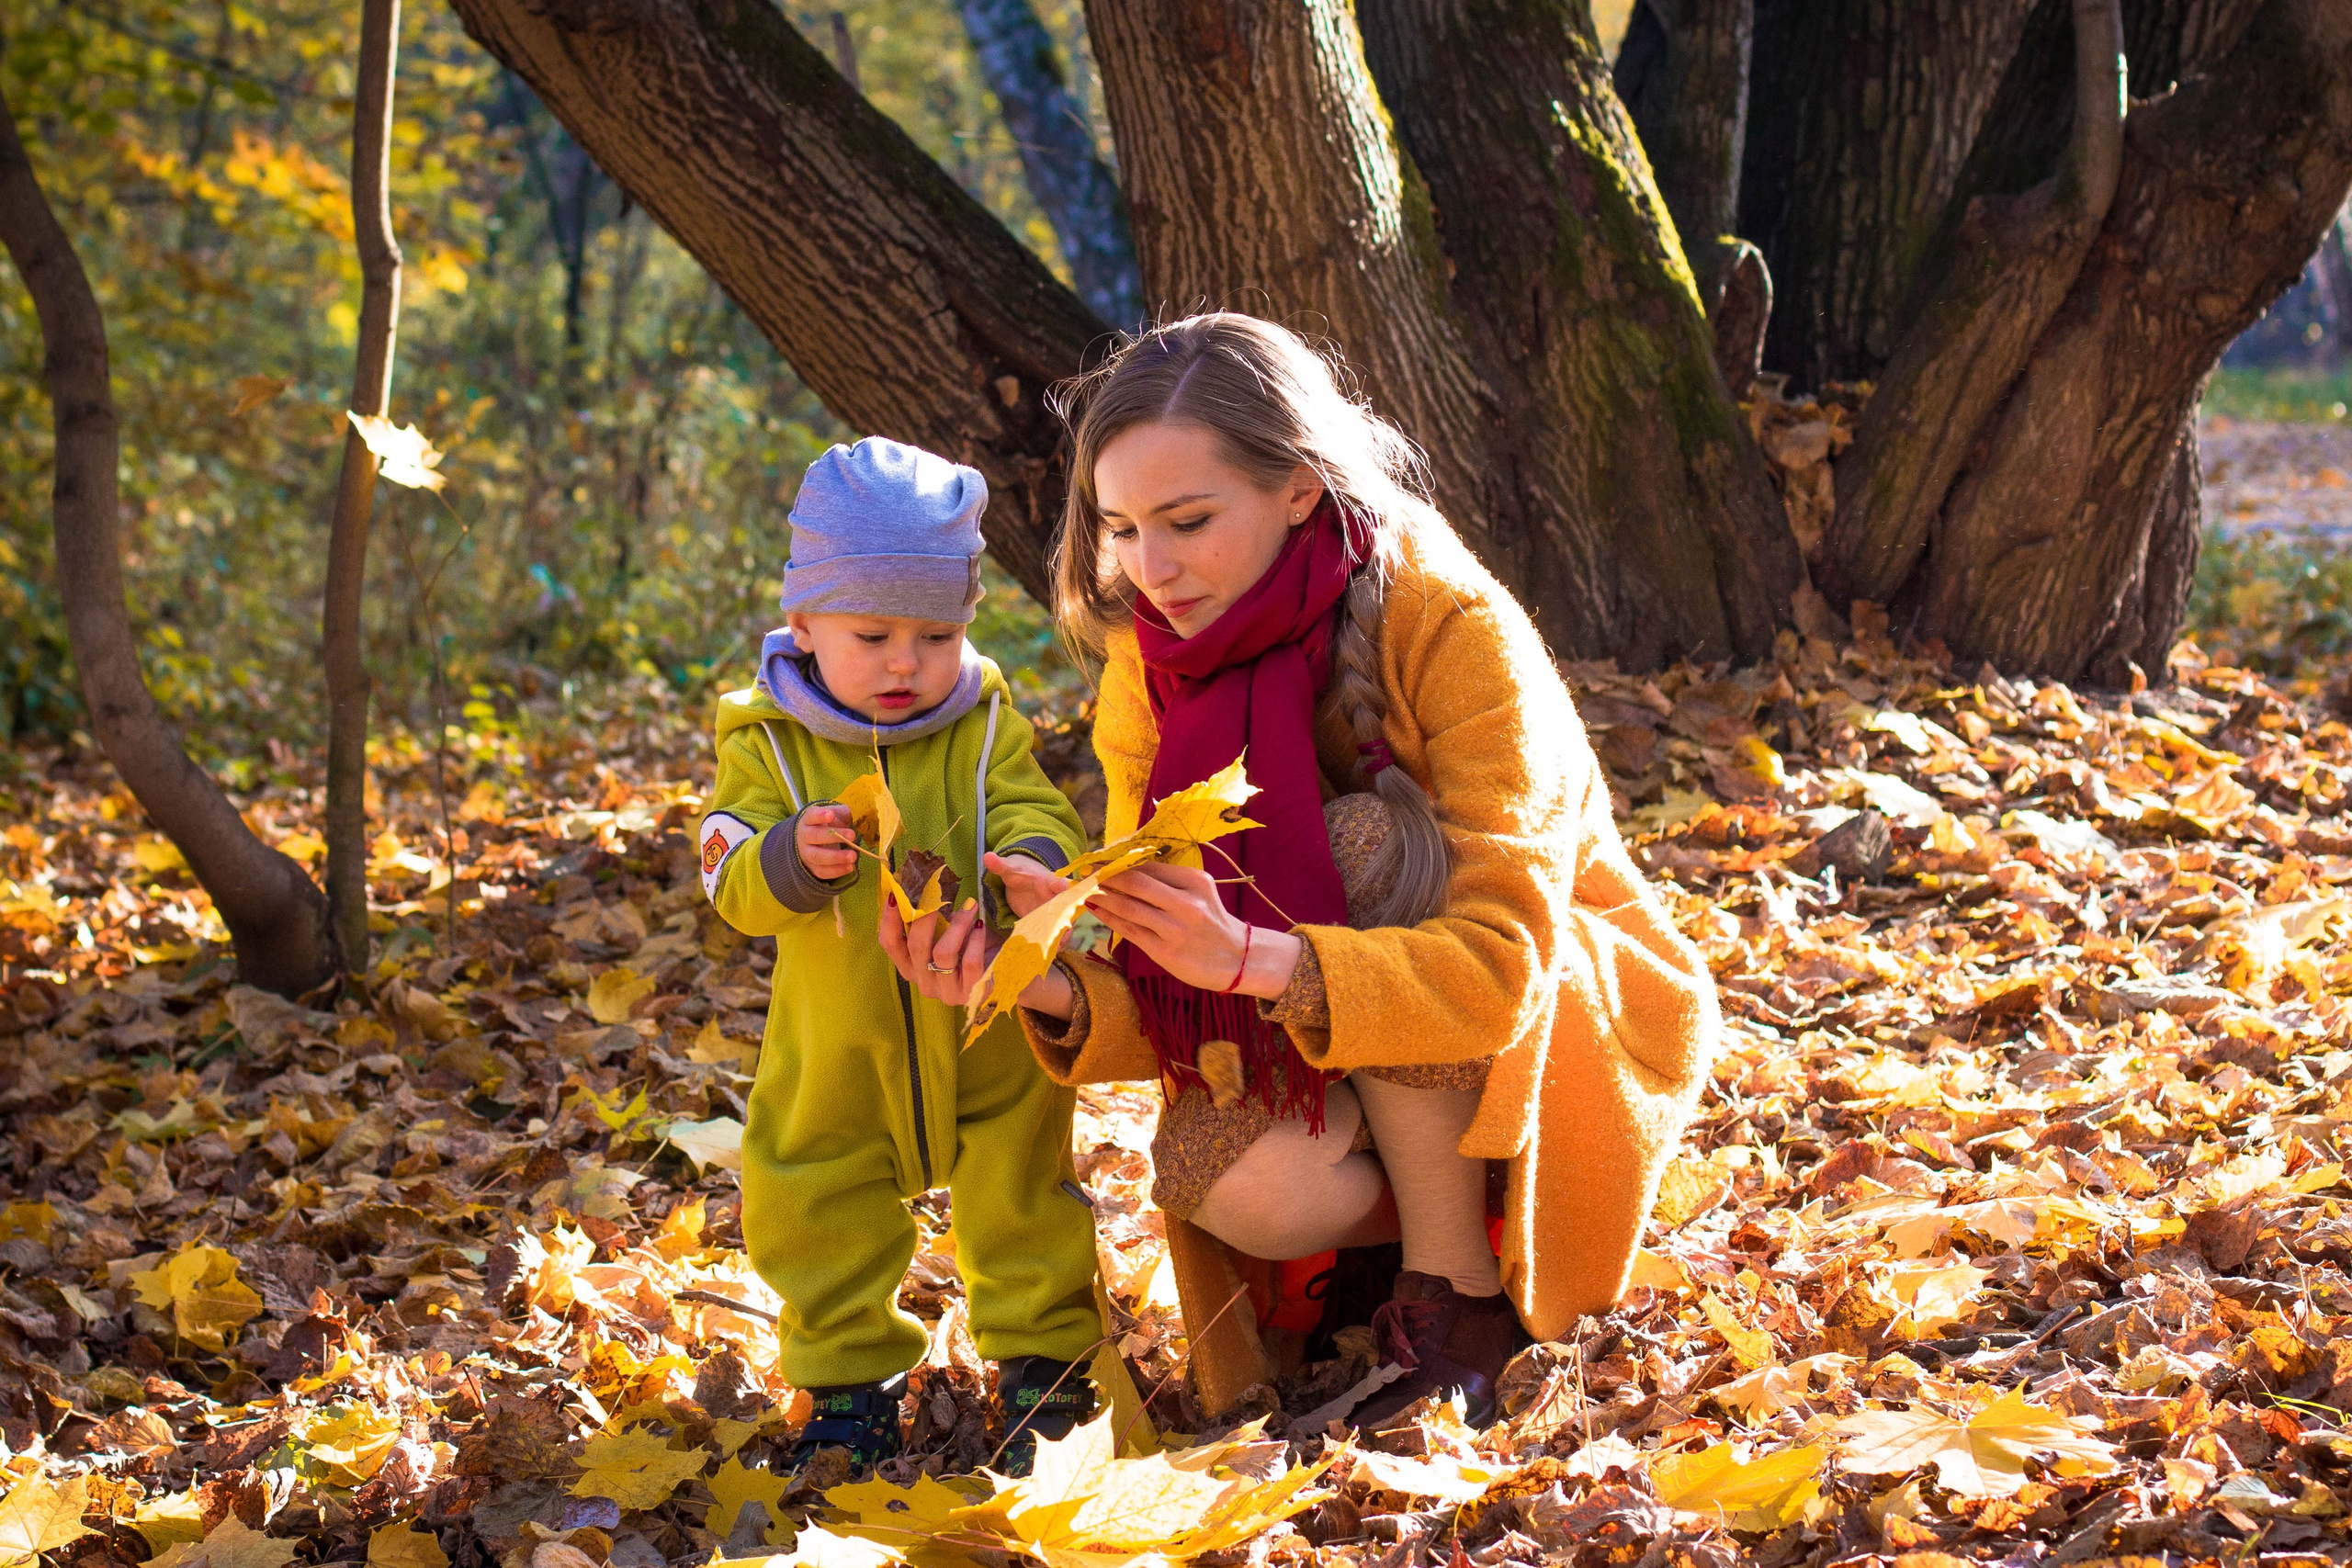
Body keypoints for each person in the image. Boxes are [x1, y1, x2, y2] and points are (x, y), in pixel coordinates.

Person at [888, 315, 1723, 1428]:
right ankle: (1430, 1227)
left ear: (1297, 486)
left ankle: (1462, 1292)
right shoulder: (1155, 664)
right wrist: (1034, 978)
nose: (1155, 568)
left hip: (1554, 1019)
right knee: (1229, 1179)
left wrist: (1254, 957)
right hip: (1309, 1021)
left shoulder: (1451, 622)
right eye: (1126, 529)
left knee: (1362, 844)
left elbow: (1500, 966)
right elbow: (1174, 982)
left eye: (1188, 521)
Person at [698, 436, 1099, 1473]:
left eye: (935, 634)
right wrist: (787, 856)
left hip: (982, 1013)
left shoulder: (979, 719)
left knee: (1024, 1185)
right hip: (838, 1037)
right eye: (871, 633)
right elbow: (728, 871)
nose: (904, 663)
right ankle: (845, 1381)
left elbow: (1026, 800)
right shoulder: (767, 743)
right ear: (803, 623)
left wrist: (1038, 858)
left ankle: (1044, 1368)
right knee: (813, 1189)